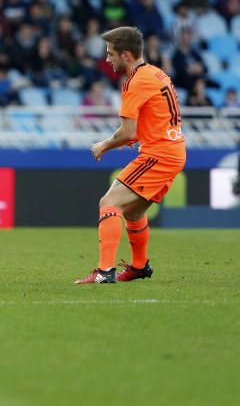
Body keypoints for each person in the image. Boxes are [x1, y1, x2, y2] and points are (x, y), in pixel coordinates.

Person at [77, 26, 186, 284]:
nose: (107, 59)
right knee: (134, 212)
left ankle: (105, 272)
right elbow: (152, 119)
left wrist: (104, 144)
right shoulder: (156, 73)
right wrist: (136, 136)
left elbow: (127, 132)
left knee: (109, 203)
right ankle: (139, 266)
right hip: (172, 149)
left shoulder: (135, 81)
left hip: (159, 154)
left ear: (126, 55)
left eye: (110, 53)